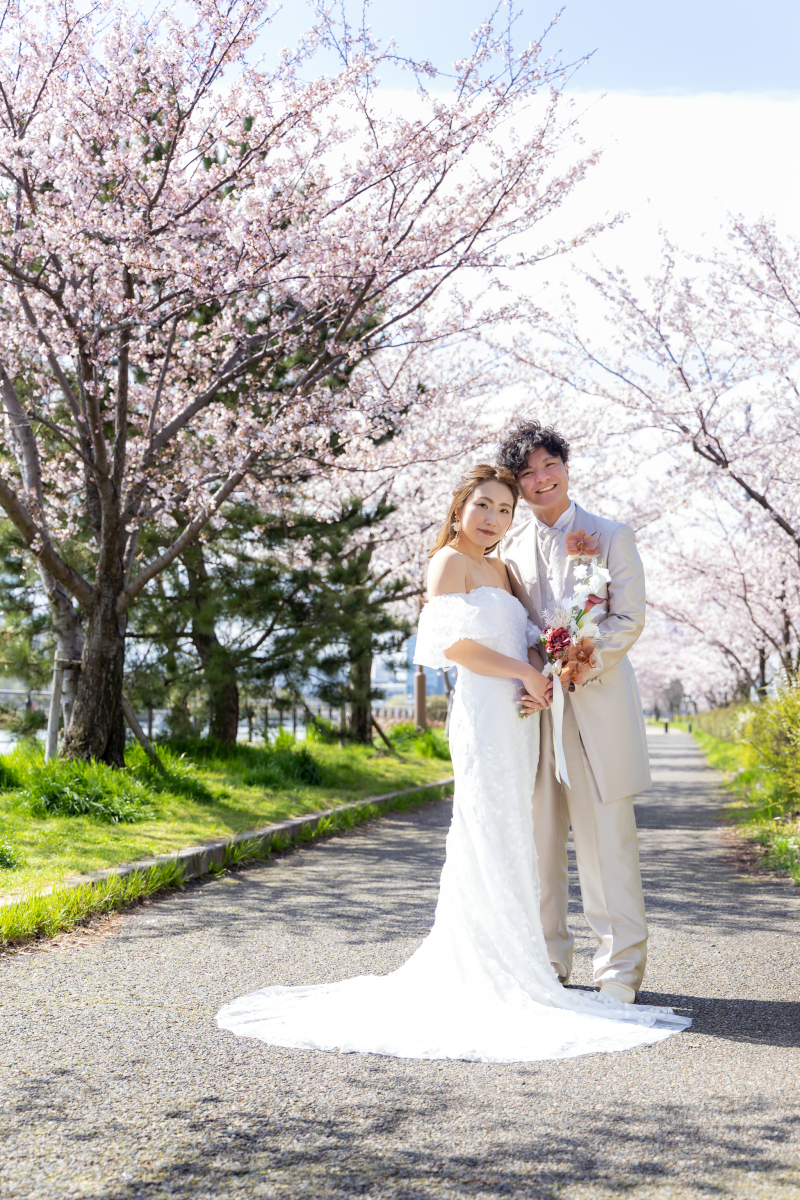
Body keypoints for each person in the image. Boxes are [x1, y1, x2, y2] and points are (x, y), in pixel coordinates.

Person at [216, 464, 689, 1061]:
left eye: (502, 511)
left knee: (520, 836)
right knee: (491, 831)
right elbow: (448, 646)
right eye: (483, 506)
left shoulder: (503, 566)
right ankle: (504, 963)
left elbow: (541, 632)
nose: (493, 519)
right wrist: (524, 672)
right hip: (490, 714)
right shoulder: (449, 563)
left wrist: (546, 670)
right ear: (459, 507)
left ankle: (527, 962)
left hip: (523, 713)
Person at [498, 421, 651, 1004]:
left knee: (605, 842)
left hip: (594, 707)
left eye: (548, 466)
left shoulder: (610, 534)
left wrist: (577, 664)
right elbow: (517, 627)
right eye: (527, 473)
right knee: (539, 842)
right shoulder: (508, 548)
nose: (540, 481)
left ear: (566, 465)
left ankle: (619, 971)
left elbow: (627, 619)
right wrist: (530, 672)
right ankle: (548, 959)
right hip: (533, 712)